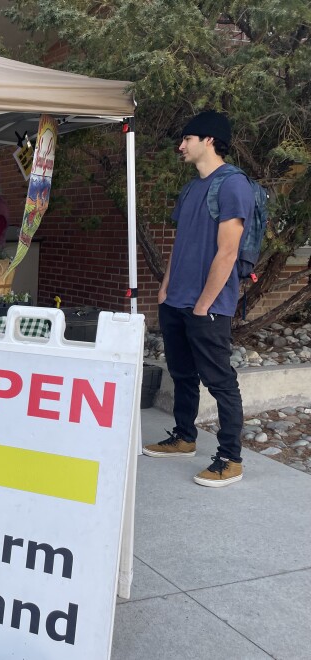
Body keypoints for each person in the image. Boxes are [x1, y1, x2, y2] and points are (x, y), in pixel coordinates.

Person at [143, 111, 255, 488]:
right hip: (176, 299)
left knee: (220, 380)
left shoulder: (232, 185)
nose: (181, 145)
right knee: (182, 373)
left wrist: (205, 303)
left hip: (207, 304)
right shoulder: (192, 188)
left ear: (208, 140)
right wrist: (166, 286)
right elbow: (180, 243)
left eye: (187, 138)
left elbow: (227, 252)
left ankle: (230, 458)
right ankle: (184, 436)